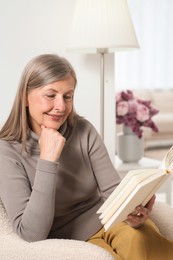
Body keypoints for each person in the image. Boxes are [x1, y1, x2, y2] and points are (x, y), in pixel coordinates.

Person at [0, 54, 172, 260]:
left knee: (139, 240)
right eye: (50, 95)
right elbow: (31, 233)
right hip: (72, 240)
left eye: (67, 96)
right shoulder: (6, 151)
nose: (61, 106)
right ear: (25, 97)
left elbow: (112, 193)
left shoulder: (83, 131)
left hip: (111, 222)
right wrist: (48, 160)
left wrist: (133, 214)